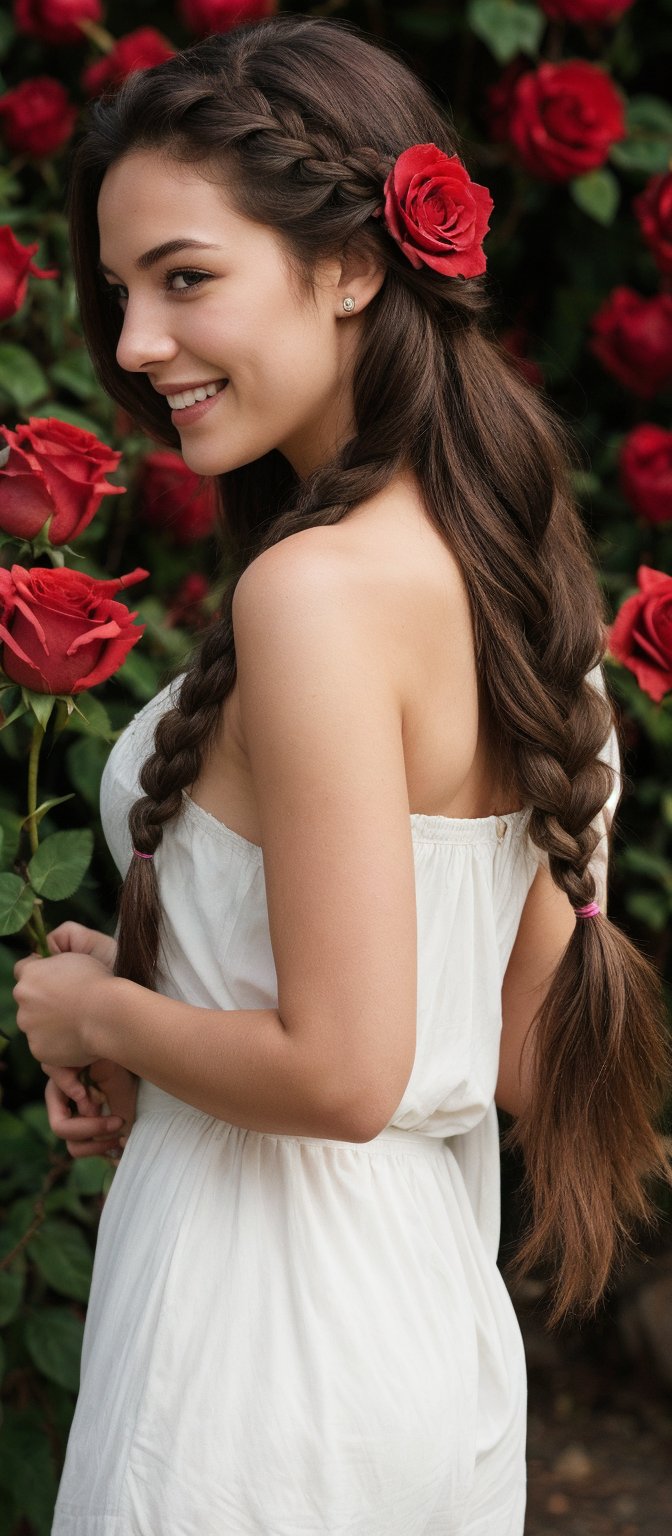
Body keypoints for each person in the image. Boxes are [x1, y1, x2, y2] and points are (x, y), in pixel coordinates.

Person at [12, 14, 670, 1536]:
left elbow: (341, 1069)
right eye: (119, 295)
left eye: (186, 278)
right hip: (427, 1329)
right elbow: (501, 1054)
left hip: (257, 1353)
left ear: (357, 265)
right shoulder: (516, 586)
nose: (133, 346)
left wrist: (95, 1007)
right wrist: (177, 1031)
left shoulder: (312, 596)